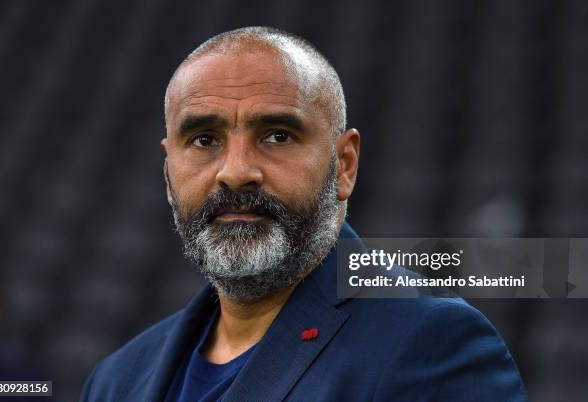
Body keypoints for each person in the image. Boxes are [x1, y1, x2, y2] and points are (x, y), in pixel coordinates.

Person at [80, 26, 527, 401]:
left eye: (277, 135)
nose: (235, 172)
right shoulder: (115, 381)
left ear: (344, 165)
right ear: (167, 172)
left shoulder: (433, 345)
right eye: (203, 140)